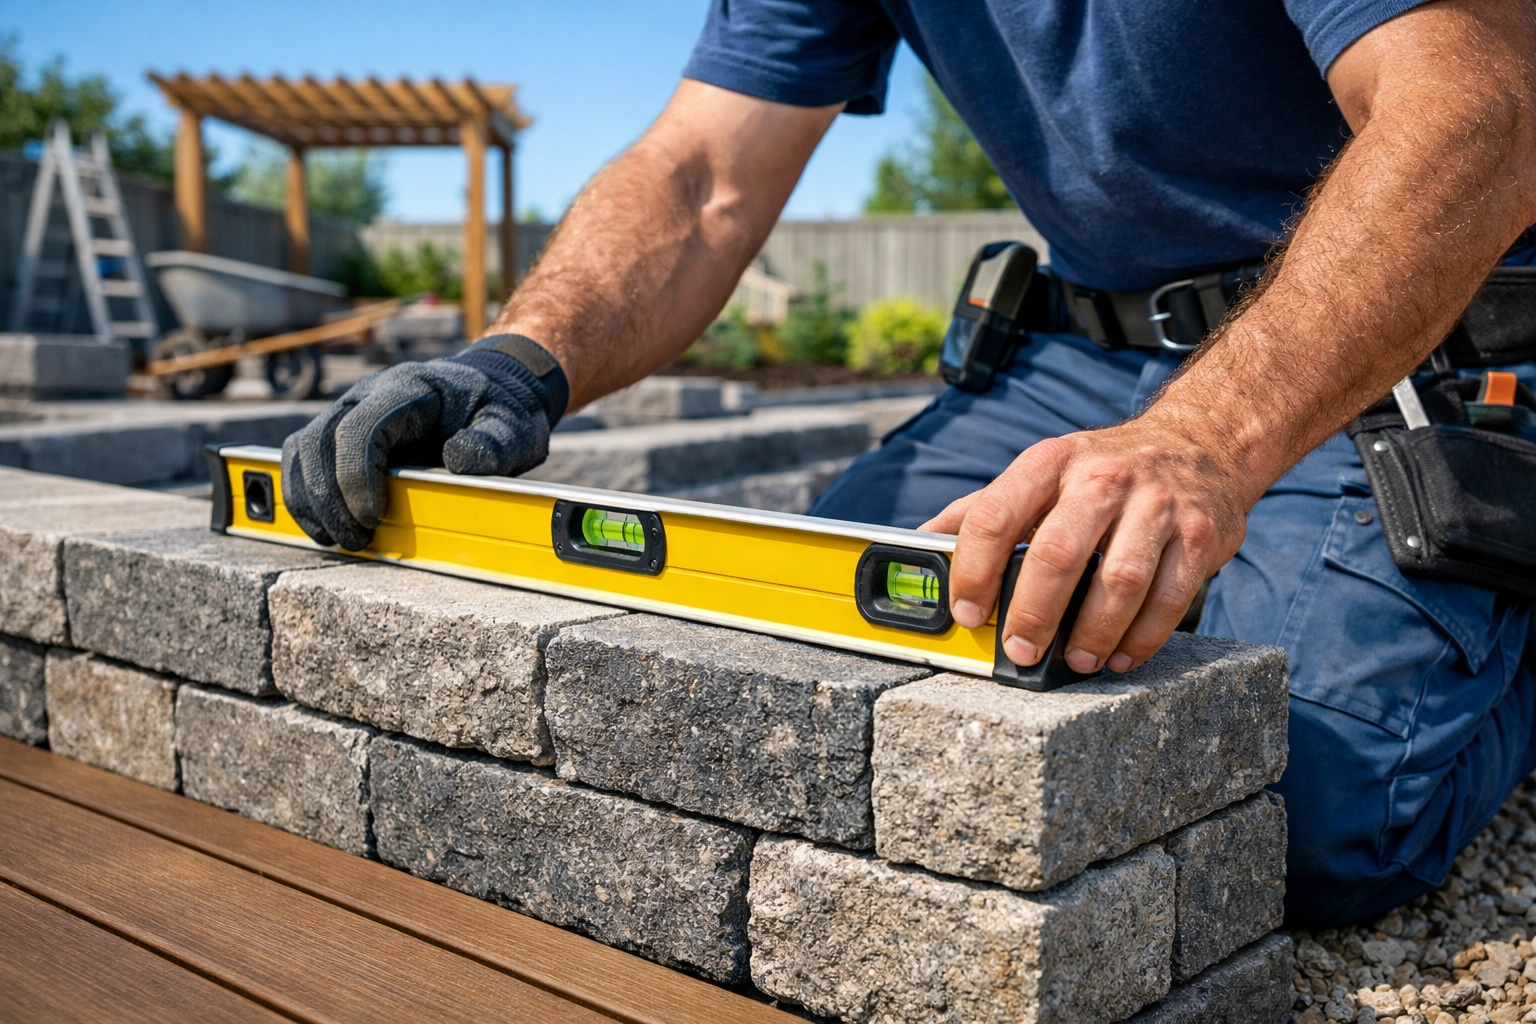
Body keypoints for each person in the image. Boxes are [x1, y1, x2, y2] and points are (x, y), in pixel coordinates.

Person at [282, 0, 1536, 927]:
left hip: (1401, 328)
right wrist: (519, 359)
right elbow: (704, 173)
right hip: (1089, 348)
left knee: (1302, 804)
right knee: (797, 651)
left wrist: (1206, 441)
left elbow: (1477, 105)